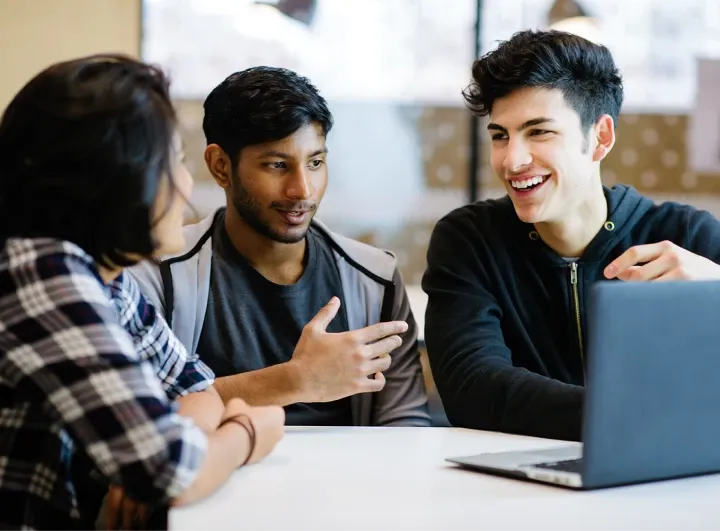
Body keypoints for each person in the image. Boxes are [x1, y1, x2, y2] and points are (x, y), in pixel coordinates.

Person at [0, 55, 285, 531]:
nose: (187, 184)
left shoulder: (109, 278)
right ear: (115, 177)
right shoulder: (43, 272)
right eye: (172, 160)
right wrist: (248, 431)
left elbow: (198, 389)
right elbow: (168, 471)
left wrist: (169, 447)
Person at [422, 29, 720, 442]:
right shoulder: (470, 240)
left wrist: (715, 294)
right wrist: (635, 419)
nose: (512, 160)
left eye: (539, 131)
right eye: (500, 135)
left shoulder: (688, 238)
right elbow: (472, 387)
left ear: (600, 138)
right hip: (519, 490)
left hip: (669, 482)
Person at [130, 66, 430, 427]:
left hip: (346, 482)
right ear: (221, 166)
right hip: (218, 480)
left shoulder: (374, 278)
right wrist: (296, 380)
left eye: (315, 162)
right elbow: (138, 420)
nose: (302, 190)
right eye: (277, 165)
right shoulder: (158, 277)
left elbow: (405, 427)